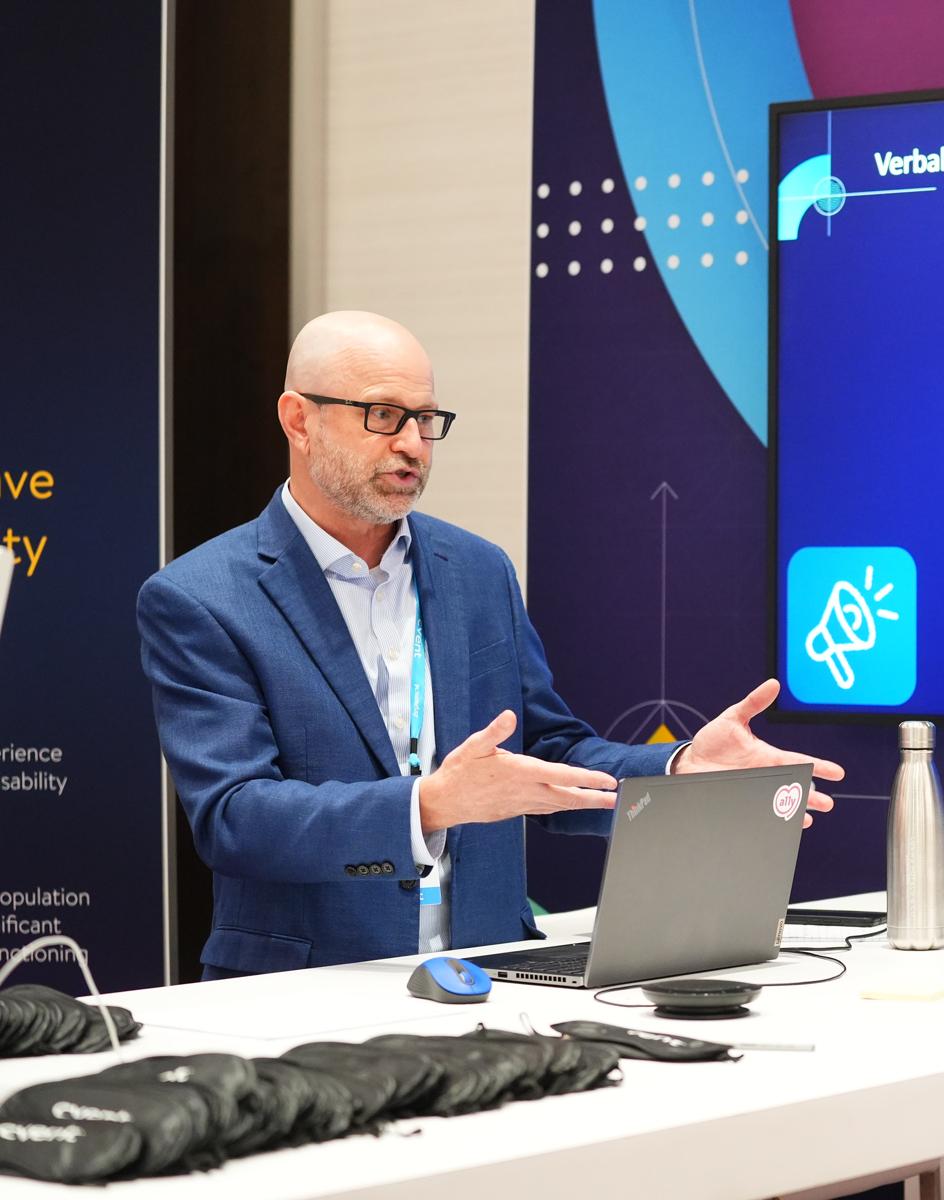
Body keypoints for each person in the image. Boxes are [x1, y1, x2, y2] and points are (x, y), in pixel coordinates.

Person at [138, 311, 842, 978]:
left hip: (492, 971)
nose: (412, 444)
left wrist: (679, 770)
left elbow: (548, 756)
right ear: (299, 420)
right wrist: (430, 804)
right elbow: (236, 818)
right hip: (307, 985)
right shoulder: (202, 597)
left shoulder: (477, 570)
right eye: (382, 415)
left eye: (425, 420)